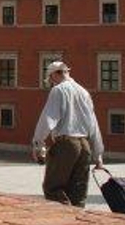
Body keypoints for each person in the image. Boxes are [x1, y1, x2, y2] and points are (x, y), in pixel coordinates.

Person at [32, 61, 104, 208]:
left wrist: (38, 143)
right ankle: (77, 223)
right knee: (78, 193)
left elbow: (48, 119)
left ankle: (64, 217)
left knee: (53, 188)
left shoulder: (58, 90)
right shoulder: (84, 92)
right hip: (85, 145)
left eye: (50, 79)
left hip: (67, 144)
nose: (51, 82)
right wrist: (98, 154)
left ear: (54, 75)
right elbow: (93, 124)